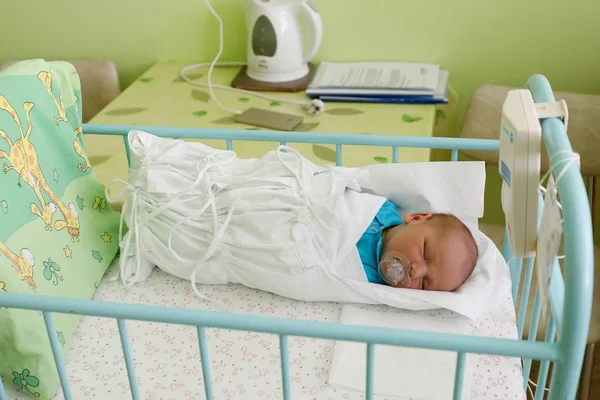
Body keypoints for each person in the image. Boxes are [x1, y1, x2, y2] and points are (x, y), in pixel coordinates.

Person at [357, 200, 478, 292]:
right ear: (416, 218)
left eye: (424, 284)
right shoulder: (382, 208)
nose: (415, 272)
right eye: (424, 252)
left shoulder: (367, 283)